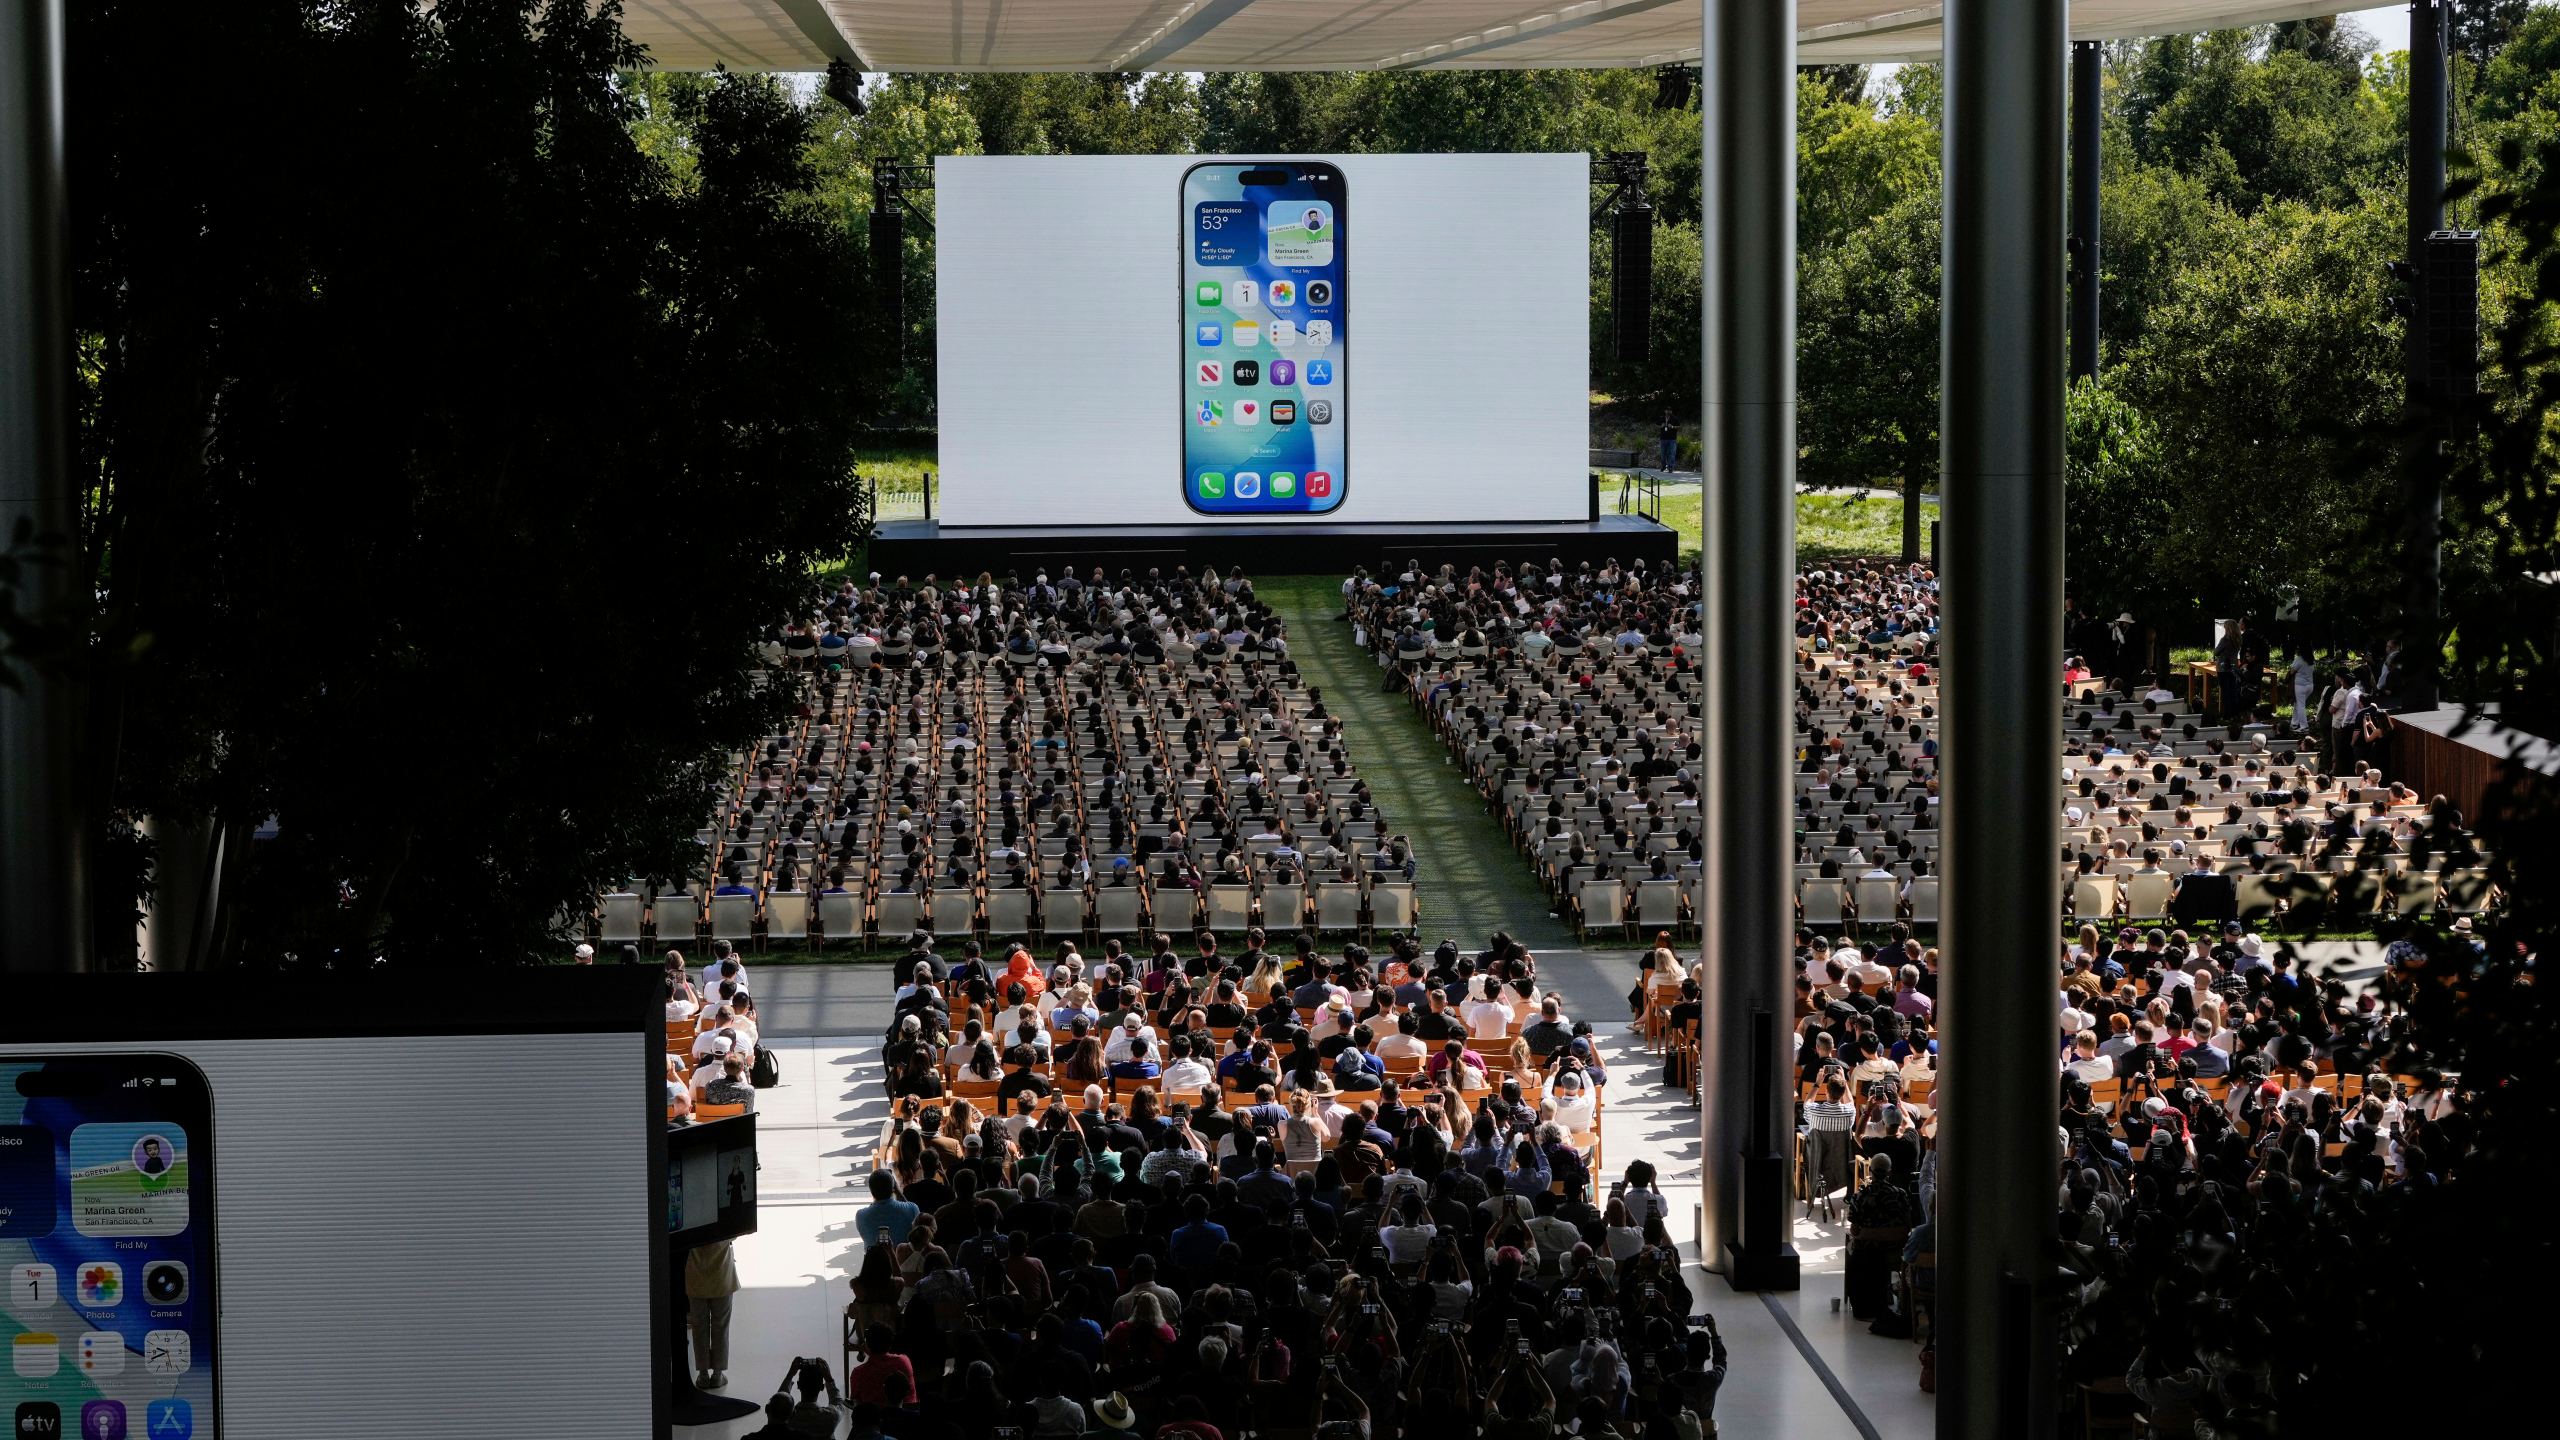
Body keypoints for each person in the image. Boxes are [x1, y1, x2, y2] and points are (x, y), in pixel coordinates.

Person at [685, 1239, 740, 1390]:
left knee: (699, 1326)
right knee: (721, 1325)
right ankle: (717, 1374)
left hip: (696, 1275)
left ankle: (703, 1375)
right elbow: (738, 1230)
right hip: (722, 1275)